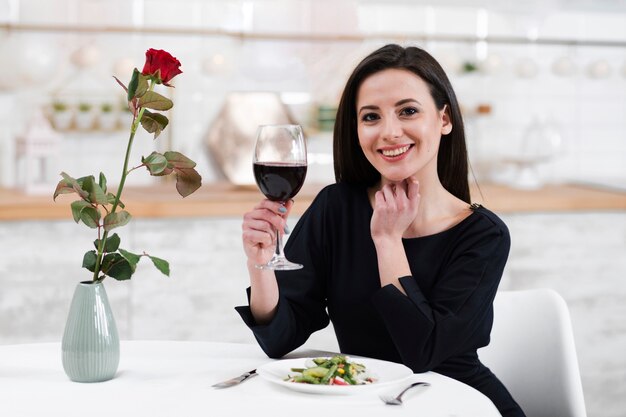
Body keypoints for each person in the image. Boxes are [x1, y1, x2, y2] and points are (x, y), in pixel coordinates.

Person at [236, 44, 525, 417]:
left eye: (408, 111)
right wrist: (261, 265)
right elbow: (279, 340)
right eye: (371, 117)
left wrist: (388, 240)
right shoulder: (336, 208)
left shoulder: (483, 235)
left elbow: (422, 353)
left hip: (459, 404)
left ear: (444, 119)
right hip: (371, 406)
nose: (389, 132)